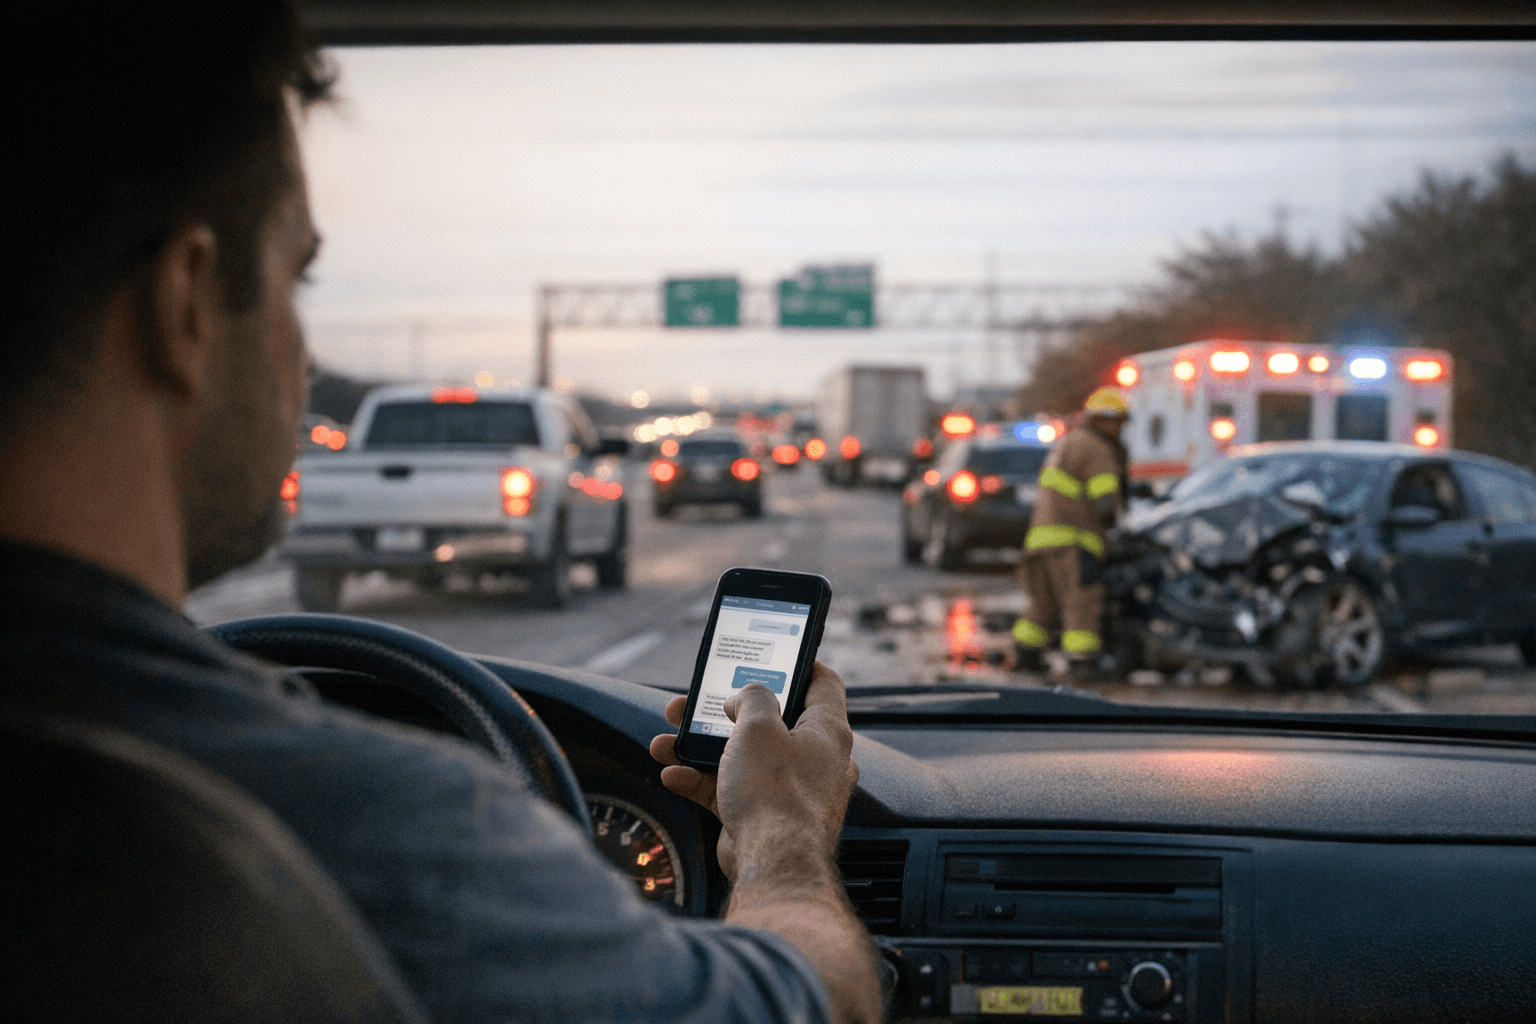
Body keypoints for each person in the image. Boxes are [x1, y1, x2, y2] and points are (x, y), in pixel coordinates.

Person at [0, 4, 880, 1023]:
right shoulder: (366, 827)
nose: (303, 352)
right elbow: (818, 1003)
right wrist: (782, 830)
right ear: (187, 301)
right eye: (299, 277)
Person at [1012, 386, 1131, 678]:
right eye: (1117, 421)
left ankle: (1024, 655)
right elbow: (1104, 500)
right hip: (1075, 543)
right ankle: (1081, 663)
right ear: (1103, 420)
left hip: (1040, 542)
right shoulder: (1097, 448)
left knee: (1043, 605)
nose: (1119, 429)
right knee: (1082, 604)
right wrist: (1119, 528)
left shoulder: (1069, 443)